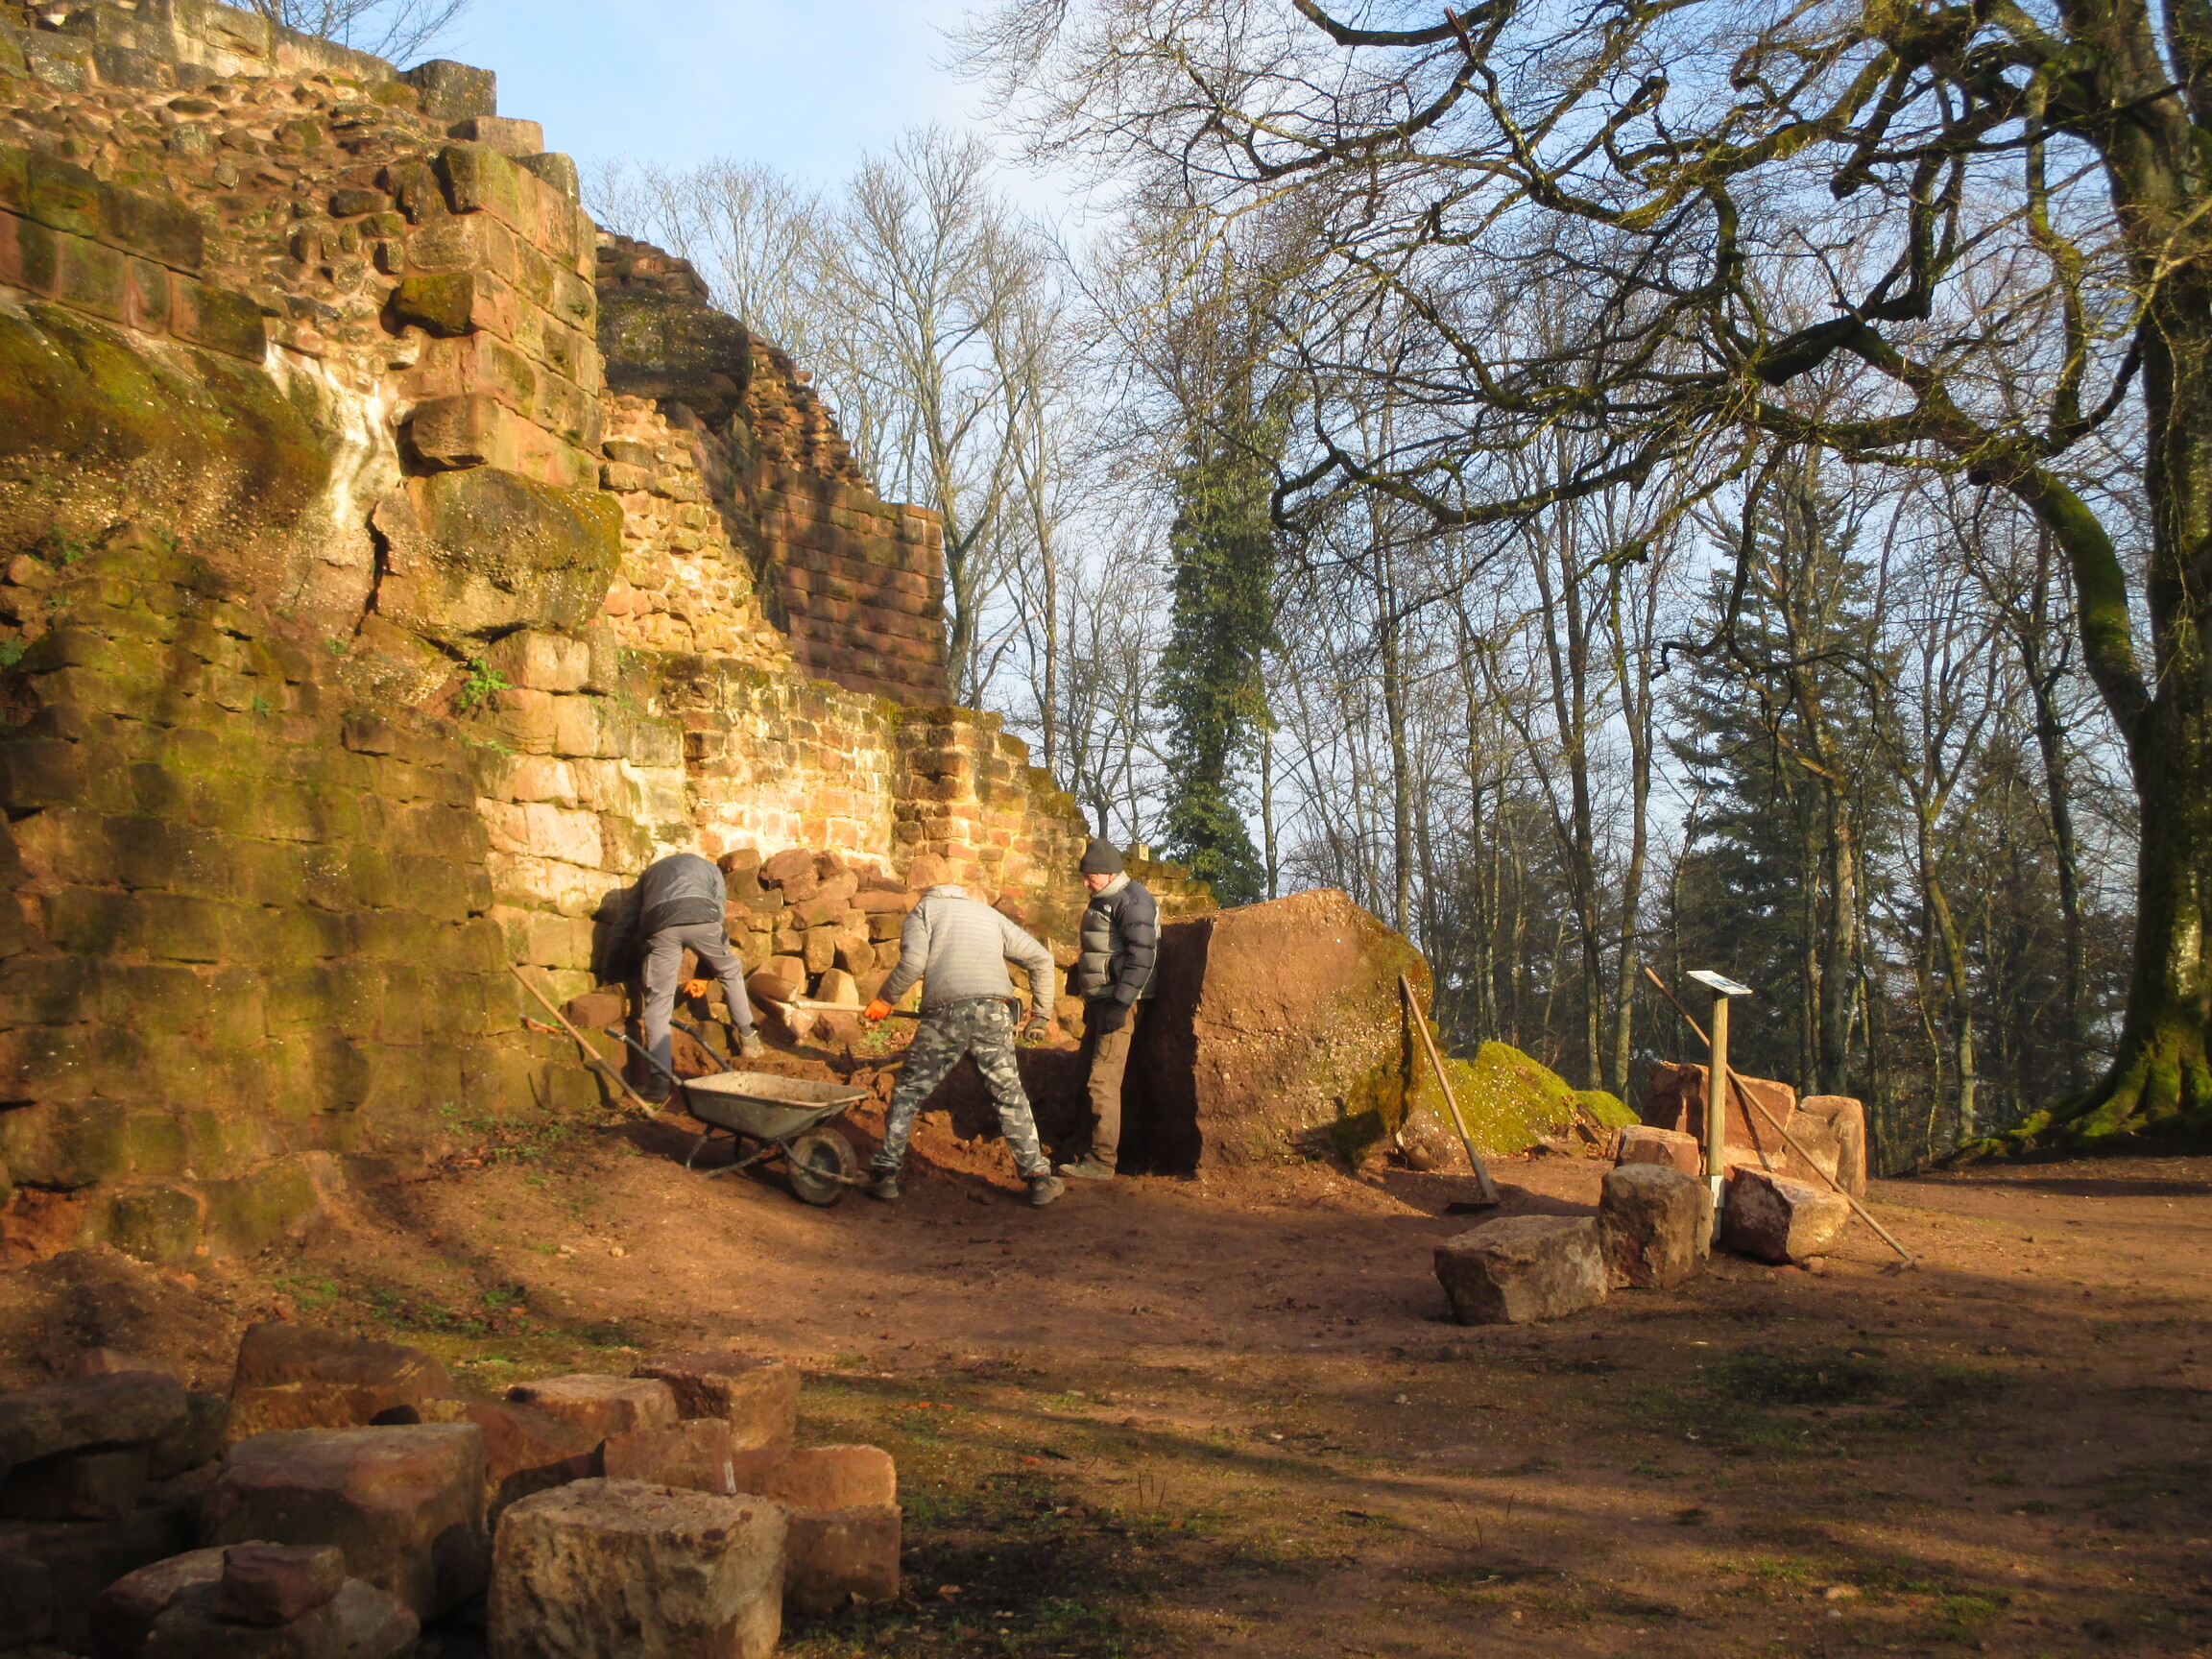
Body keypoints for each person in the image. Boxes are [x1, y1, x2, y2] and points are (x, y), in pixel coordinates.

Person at [863, 861, 1063, 1208]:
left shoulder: (924, 912)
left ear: (925, 894)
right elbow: (1042, 959)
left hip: (947, 1013)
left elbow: (913, 963)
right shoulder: (988, 915)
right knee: (1008, 1094)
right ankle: (1038, 1178)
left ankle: (885, 1174)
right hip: (995, 1012)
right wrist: (1041, 1015)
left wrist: (885, 999)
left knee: (909, 1091)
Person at [1057, 837, 1158, 1181]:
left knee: (1102, 1080)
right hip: (1105, 1000)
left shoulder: (1132, 900)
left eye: (1090, 877)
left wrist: (1120, 1003)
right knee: (1084, 1075)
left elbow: (1142, 956)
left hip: (1119, 1003)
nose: (1085, 884)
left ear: (1109, 873)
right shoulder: (1108, 899)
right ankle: (1082, 1145)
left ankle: (1101, 1161)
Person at [629, 850, 763, 1100]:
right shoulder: (710, 869)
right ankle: (748, 1039)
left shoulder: (650, 872)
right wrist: (705, 973)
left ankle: (659, 1083)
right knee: (729, 969)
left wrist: (610, 968)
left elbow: (628, 919)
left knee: (658, 1002)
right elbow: (718, 915)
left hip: (660, 925)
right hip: (702, 917)